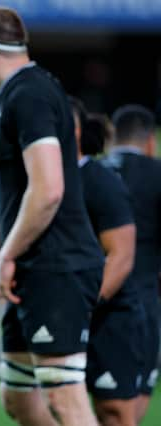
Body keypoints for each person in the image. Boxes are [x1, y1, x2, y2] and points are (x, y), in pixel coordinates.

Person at [0, 7, 105, 426]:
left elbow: (49, 190)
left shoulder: (28, 94)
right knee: (19, 396)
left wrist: (5, 254)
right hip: (35, 266)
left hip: (55, 264)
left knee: (64, 397)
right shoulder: (28, 90)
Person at [70, 98, 143, 426]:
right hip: (60, 313)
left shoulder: (100, 181)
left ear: (72, 130)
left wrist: (85, 303)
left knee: (113, 412)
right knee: (47, 405)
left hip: (107, 315)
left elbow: (122, 255)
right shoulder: (43, 183)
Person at [102, 104, 161, 424]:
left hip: (95, 302)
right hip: (142, 303)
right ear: (150, 141)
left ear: (112, 138)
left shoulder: (93, 172)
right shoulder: (156, 173)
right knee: (130, 409)